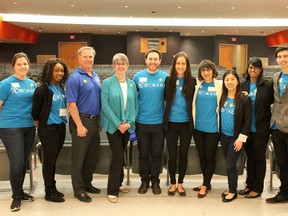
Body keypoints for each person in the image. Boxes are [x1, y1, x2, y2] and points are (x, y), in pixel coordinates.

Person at [0, 52, 37, 212]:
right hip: (10, 127)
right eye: (19, 64)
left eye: (25, 64)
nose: (23, 67)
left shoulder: (31, 84)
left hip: (28, 127)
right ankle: (15, 197)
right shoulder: (6, 84)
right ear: (13, 66)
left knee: (23, 162)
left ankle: (20, 191)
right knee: (16, 162)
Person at [100, 53, 138, 203]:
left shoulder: (131, 84)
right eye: (118, 64)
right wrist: (118, 123)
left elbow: (135, 105)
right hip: (113, 127)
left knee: (121, 154)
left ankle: (119, 183)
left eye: (123, 64)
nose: (121, 66)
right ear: (114, 66)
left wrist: (129, 122)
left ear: (127, 66)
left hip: (127, 127)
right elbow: (105, 105)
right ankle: (112, 190)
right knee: (117, 157)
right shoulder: (108, 83)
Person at [66, 46, 101, 203]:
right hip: (81, 121)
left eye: (91, 57)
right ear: (79, 58)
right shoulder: (75, 78)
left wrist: (98, 120)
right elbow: (71, 104)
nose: (88, 59)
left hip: (94, 121)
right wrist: (79, 125)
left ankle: (87, 183)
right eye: (85, 57)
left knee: (91, 157)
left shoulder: (95, 76)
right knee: (79, 158)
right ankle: (78, 189)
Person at [32, 58, 69, 202]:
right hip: (48, 128)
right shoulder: (42, 89)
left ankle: (53, 187)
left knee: (53, 160)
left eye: (62, 70)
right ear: (49, 72)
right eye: (57, 71)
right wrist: (42, 128)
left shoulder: (61, 87)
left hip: (60, 126)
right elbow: (35, 113)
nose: (60, 73)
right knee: (48, 161)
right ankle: (49, 192)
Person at [133, 48, 168, 195]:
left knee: (156, 154)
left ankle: (155, 181)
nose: (153, 61)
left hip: (159, 123)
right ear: (146, 60)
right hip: (141, 122)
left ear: (160, 61)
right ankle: (144, 181)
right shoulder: (137, 77)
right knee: (143, 154)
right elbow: (132, 99)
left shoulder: (166, 77)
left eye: (156, 59)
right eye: (150, 59)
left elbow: (169, 99)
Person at [239, 58, 273, 198]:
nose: (252, 70)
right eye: (250, 67)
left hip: (261, 129)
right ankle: (249, 185)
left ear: (260, 70)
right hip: (246, 129)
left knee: (259, 159)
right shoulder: (243, 85)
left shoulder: (267, 85)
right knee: (250, 158)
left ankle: (258, 188)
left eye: (256, 68)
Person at [163, 52, 196, 197]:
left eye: (183, 63)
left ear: (187, 66)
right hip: (171, 123)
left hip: (186, 124)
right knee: (172, 154)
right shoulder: (168, 80)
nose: (180, 66)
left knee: (183, 154)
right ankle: (172, 183)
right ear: (174, 65)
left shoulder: (193, 82)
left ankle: (181, 183)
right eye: (178, 63)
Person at [220, 70, 251, 203]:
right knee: (228, 164)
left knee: (230, 165)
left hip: (235, 138)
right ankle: (230, 186)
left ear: (237, 81)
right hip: (224, 137)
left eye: (232, 79)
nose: (230, 82)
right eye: (227, 79)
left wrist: (241, 139)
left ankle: (233, 191)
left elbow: (247, 121)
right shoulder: (222, 96)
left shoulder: (245, 98)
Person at [192, 60, 222, 198]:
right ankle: (207, 182)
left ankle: (205, 185)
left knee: (210, 157)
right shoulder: (198, 85)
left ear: (213, 70)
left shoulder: (220, 85)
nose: (206, 72)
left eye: (208, 69)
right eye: (203, 70)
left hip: (213, 129)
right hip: (198, 128)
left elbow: (233, 93)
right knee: (202, 156)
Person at [266, 46, 288, 203]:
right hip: (276, 126)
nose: (282, 59)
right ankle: (284, 192)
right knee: (282, 163)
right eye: (279, 56)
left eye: (286, 56)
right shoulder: (275, 77)